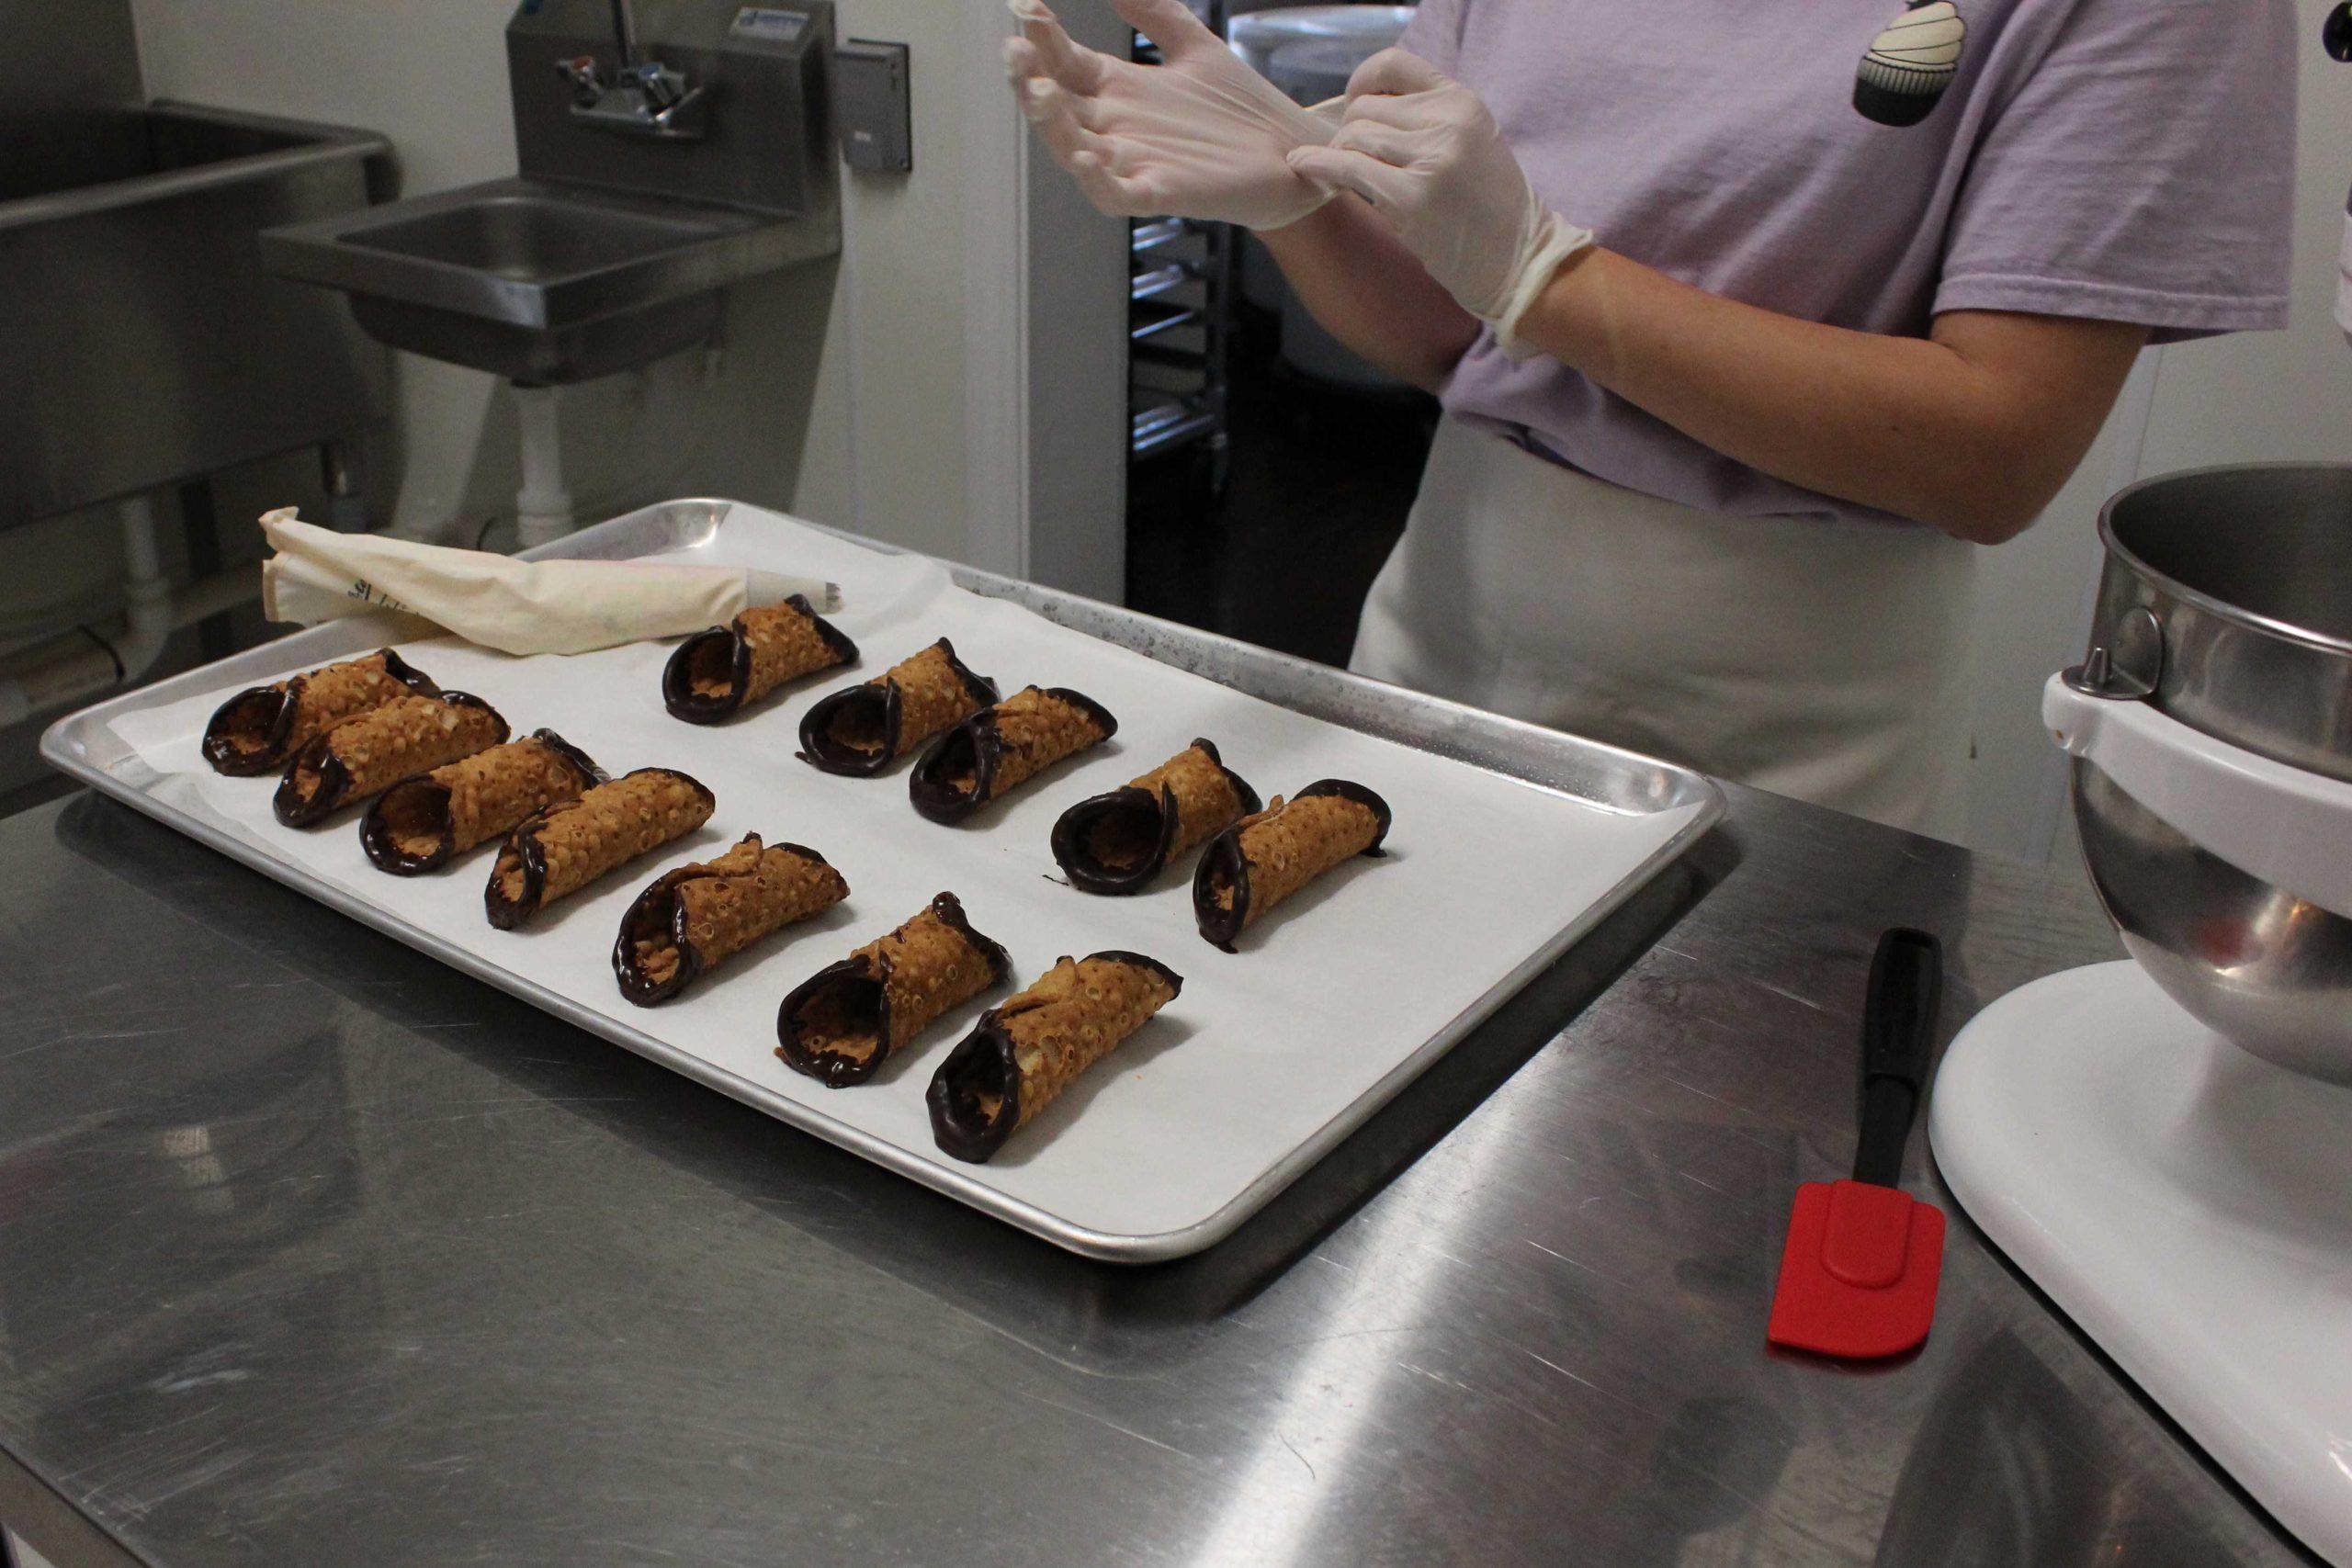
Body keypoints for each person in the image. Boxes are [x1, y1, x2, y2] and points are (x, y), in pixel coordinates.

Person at [1003, 0, 2297, 837]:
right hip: (1433, 642)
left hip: (1790, 747)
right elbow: (1451, 330)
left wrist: (1546, 276)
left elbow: (1992, 451)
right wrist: (1294, 201)